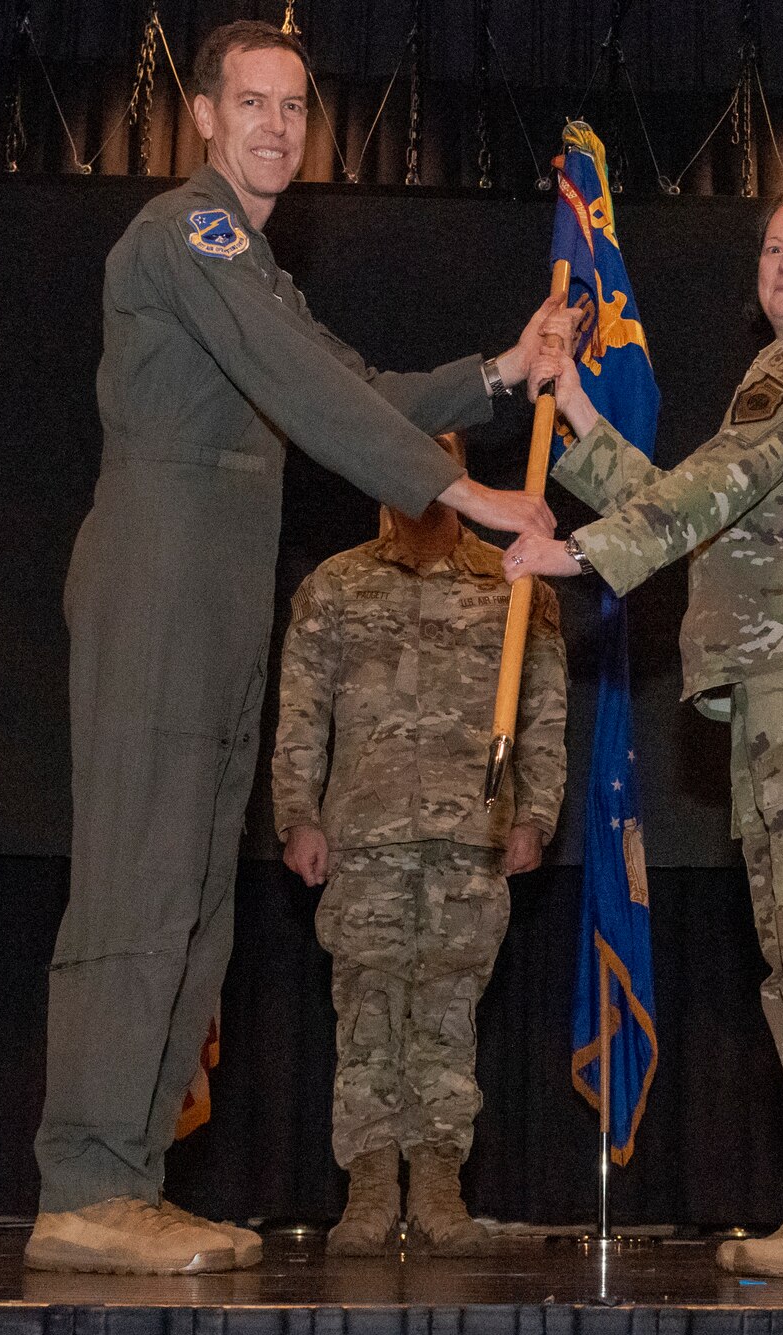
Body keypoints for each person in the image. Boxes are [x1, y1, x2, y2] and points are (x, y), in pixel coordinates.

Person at [29, 20, 571, 1276]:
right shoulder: (187, 231)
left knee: (197, 903)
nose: (275, 126)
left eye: (294, 108)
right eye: (251, 103)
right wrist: (467, 498)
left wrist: (497, 372)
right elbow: (309, 390)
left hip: (221, 584)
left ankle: (130, 1184)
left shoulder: (260, 274)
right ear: (203, 118)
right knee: (139, 883)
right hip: (160, 563)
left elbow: (354, 381)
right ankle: (84, 1181)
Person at [505, 188, 783, 1280]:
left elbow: (715, 484)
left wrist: (588, 552)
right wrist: (576, 412)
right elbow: (701, 499)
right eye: (772, 248)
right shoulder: (782, 391)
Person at [271, 432, 567, 1257]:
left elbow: (543, 707)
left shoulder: (513, 583)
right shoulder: (336, 584)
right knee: (366, 1007)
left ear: (461, 476)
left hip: (471, 836)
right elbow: (301, 712)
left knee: (446, 1011)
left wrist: (535, 813)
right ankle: (369, 1187)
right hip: (363, 837)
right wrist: (298, 814)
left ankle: (438, 1186)